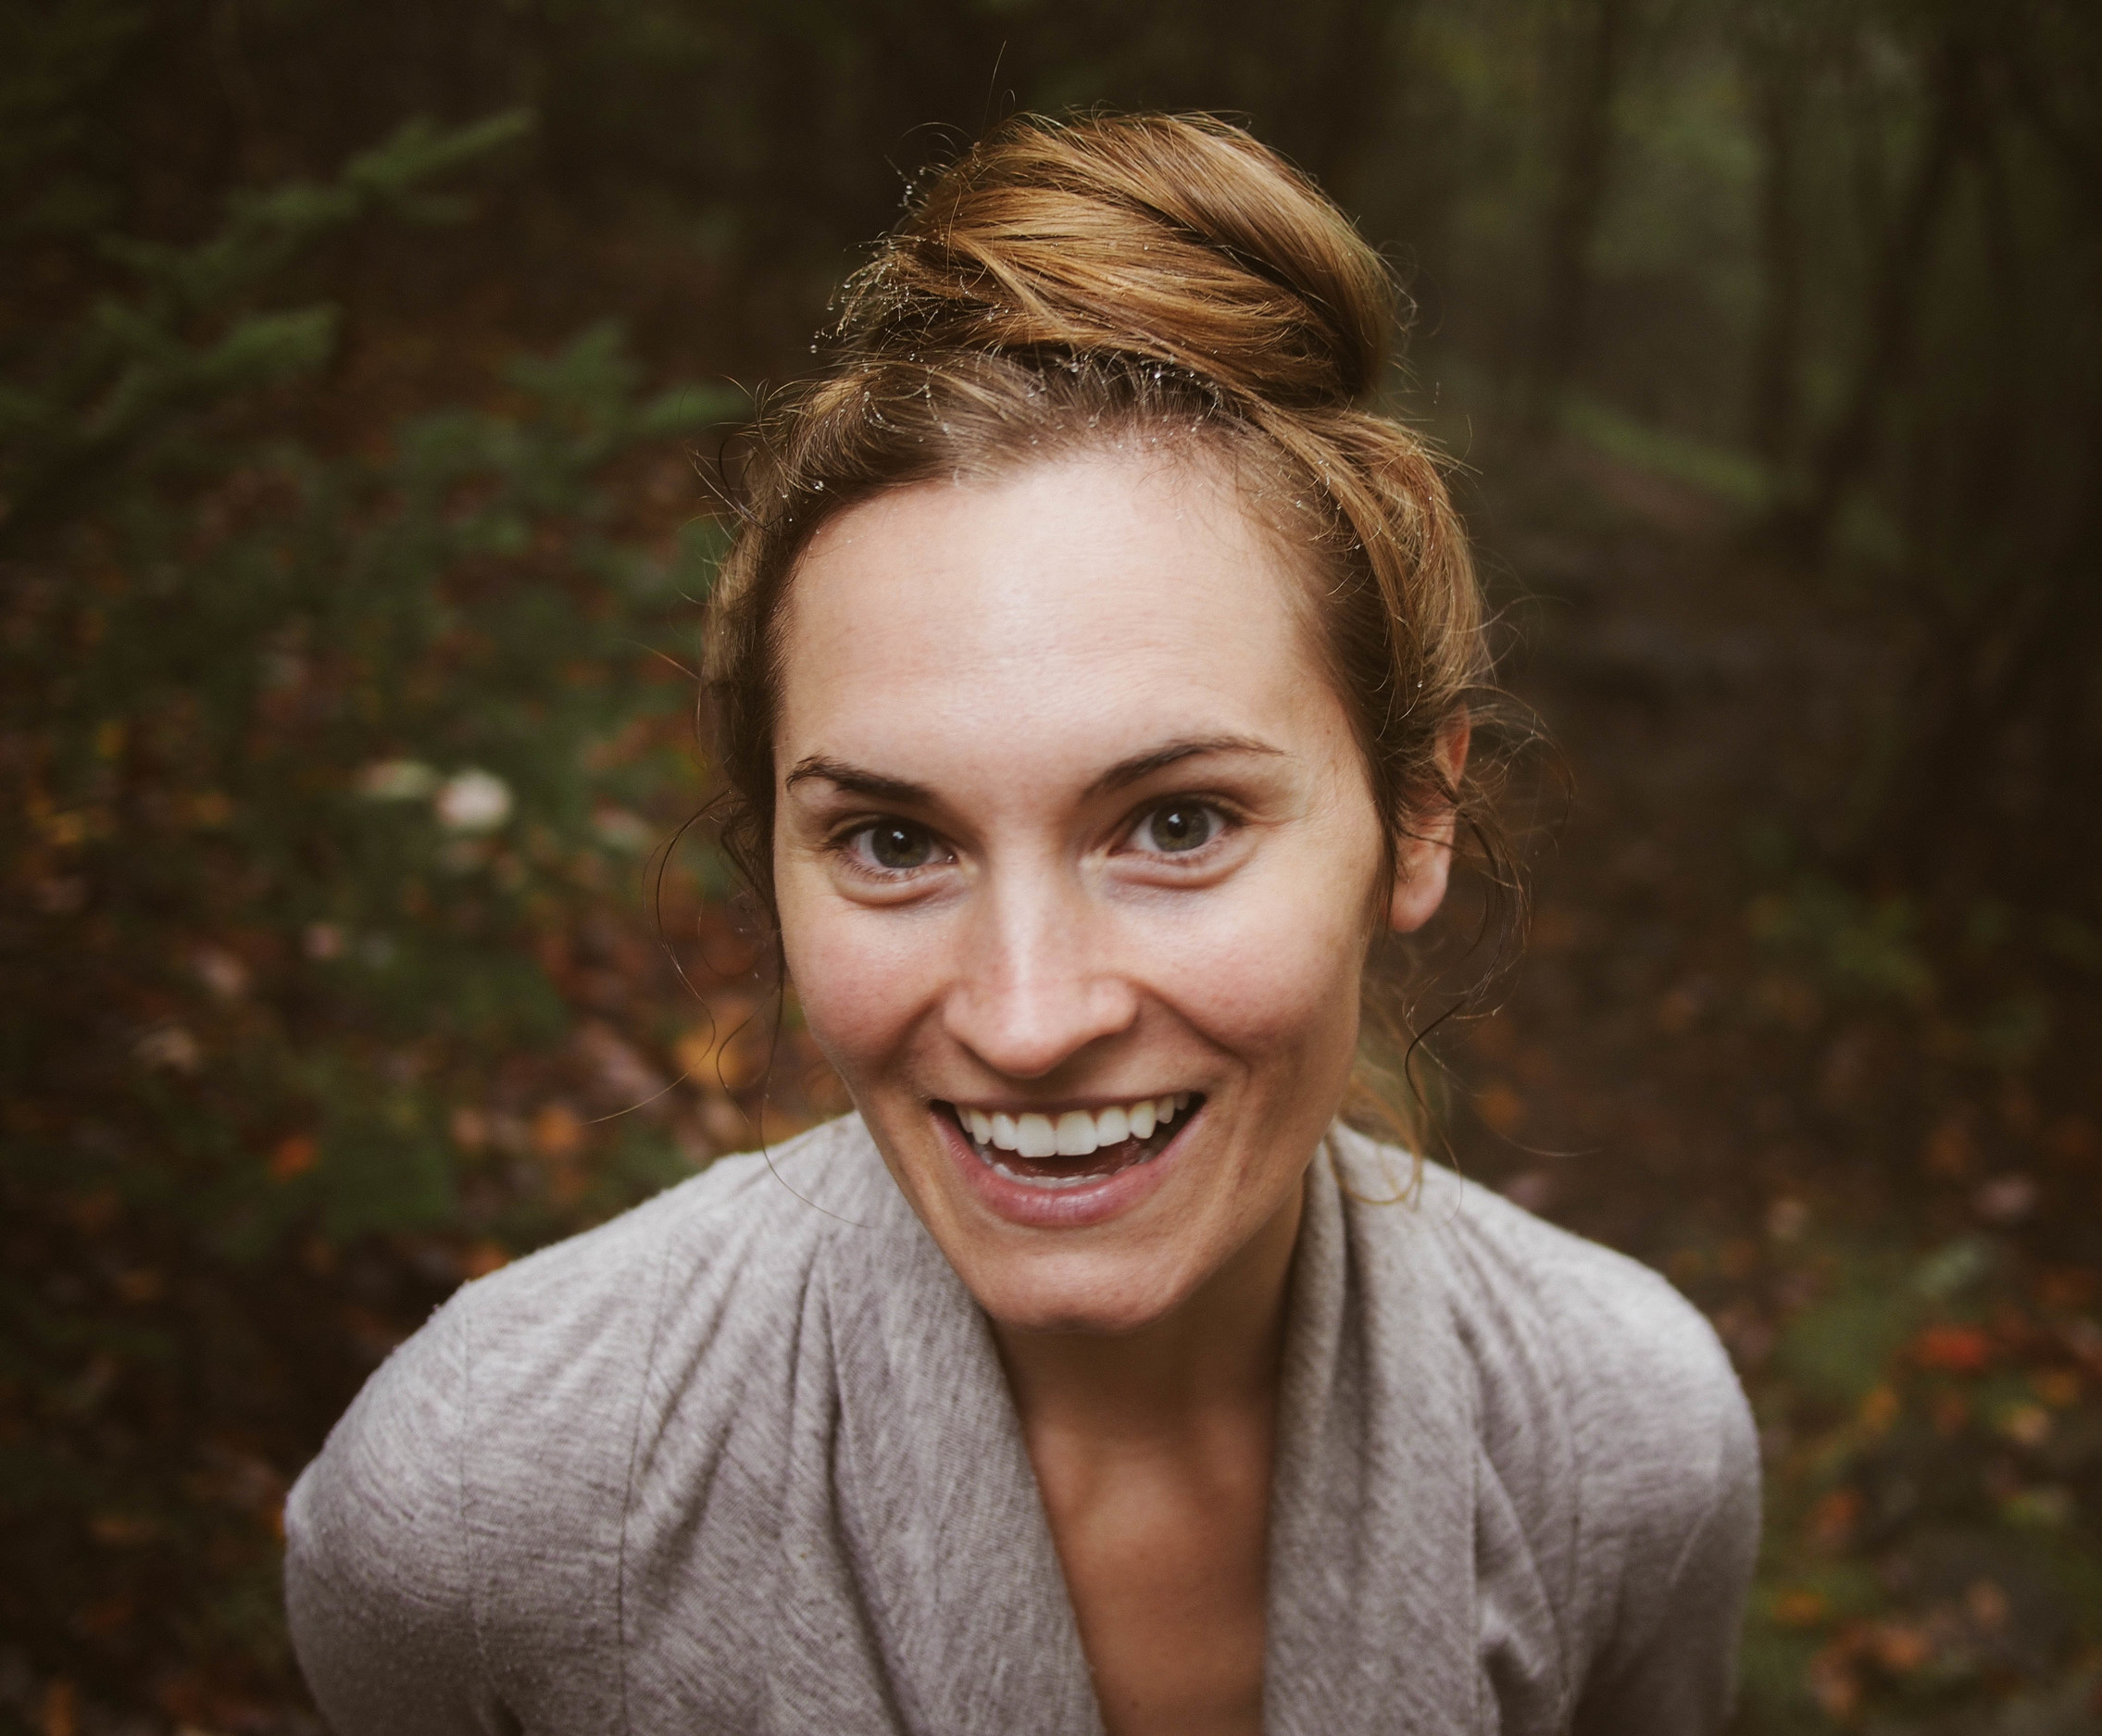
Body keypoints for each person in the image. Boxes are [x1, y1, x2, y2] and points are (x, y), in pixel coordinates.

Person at [283, 112, 1758, 1736]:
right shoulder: (489, 1514)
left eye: (1177, 825)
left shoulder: (1624, 1446)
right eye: (897, 840)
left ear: (1416, 813)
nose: (1029, 1016)